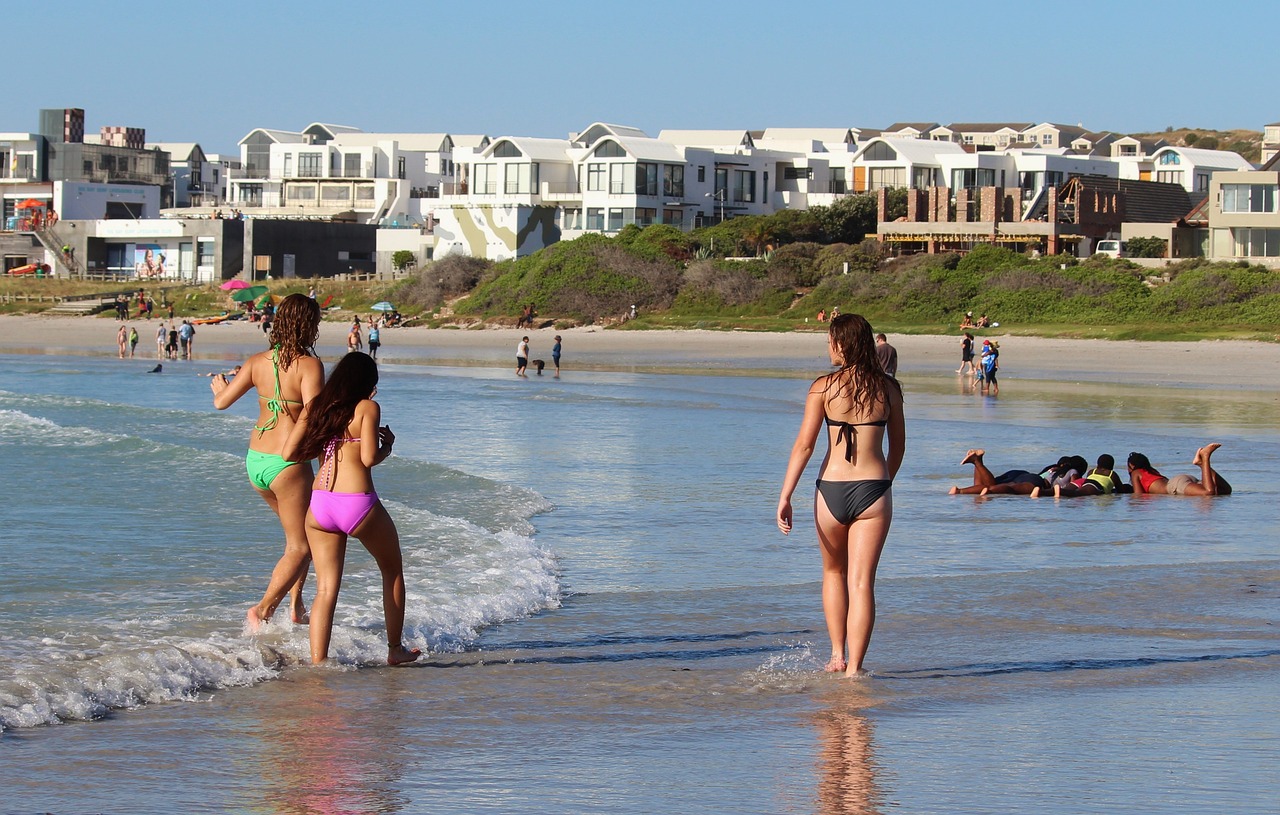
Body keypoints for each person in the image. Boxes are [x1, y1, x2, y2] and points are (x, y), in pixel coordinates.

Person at [777, 314, 905, 678]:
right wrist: (883, 485)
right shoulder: (889, 389)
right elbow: (898, 448)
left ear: (843, 344)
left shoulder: (822, 387)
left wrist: (785, 495)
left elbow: (804, 446)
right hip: (873, 489)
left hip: (830, 490)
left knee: (833, 573)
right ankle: (856, 669)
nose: (828, 347)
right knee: (862, 582)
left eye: (831, 341)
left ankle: (836, 655)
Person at [281, 351, 421, 666]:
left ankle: (319, 662)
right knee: (392, 571)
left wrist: (326, 443)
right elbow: (369, 458)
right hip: (356, 503)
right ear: (366, 383)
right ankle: (395, 649)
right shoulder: (367, 408)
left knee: (325, 589)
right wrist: (386, 447)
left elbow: (290, 452)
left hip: (319, 506)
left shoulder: (317, 407)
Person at [211, 294, 325, 628]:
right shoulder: (310, 365)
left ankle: (297, 605)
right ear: (308, 325)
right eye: (316, 322)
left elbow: (221, 404)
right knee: (301, 546)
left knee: (299, 536)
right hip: (286, 464)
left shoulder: (257, 361)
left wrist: (220, 386)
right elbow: (315, 419)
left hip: (256, 461)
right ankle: (262, 610)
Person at [949, 451, 1085, 496]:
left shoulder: (1053, 468)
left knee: (989, 482)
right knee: (1010, 488)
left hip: (1021, 473)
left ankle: (960, 490)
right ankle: (977, 463)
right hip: (1035, 481)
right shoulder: (1074, 472)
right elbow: (1073, 485)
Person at [1127, 446, 1232, 496]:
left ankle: (1205, 457)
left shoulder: (1136, 473)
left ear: (1131, 465)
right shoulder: (1151, 471)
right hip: (1180, 480)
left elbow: (1138, 496)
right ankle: (1201, 464)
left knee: (1208, 492)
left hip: (1175, 486)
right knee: (1225, 491)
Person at [1053, 454, 1128, 497]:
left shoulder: (1092, 471)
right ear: (1111, 466)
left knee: (1079, 491)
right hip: (1097, 487)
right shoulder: (1112, 474)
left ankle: (1044, 491)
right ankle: (1061, 491)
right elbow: (1120, 490)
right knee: (1078, 493)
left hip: (1087, 482)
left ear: (1098, 465)